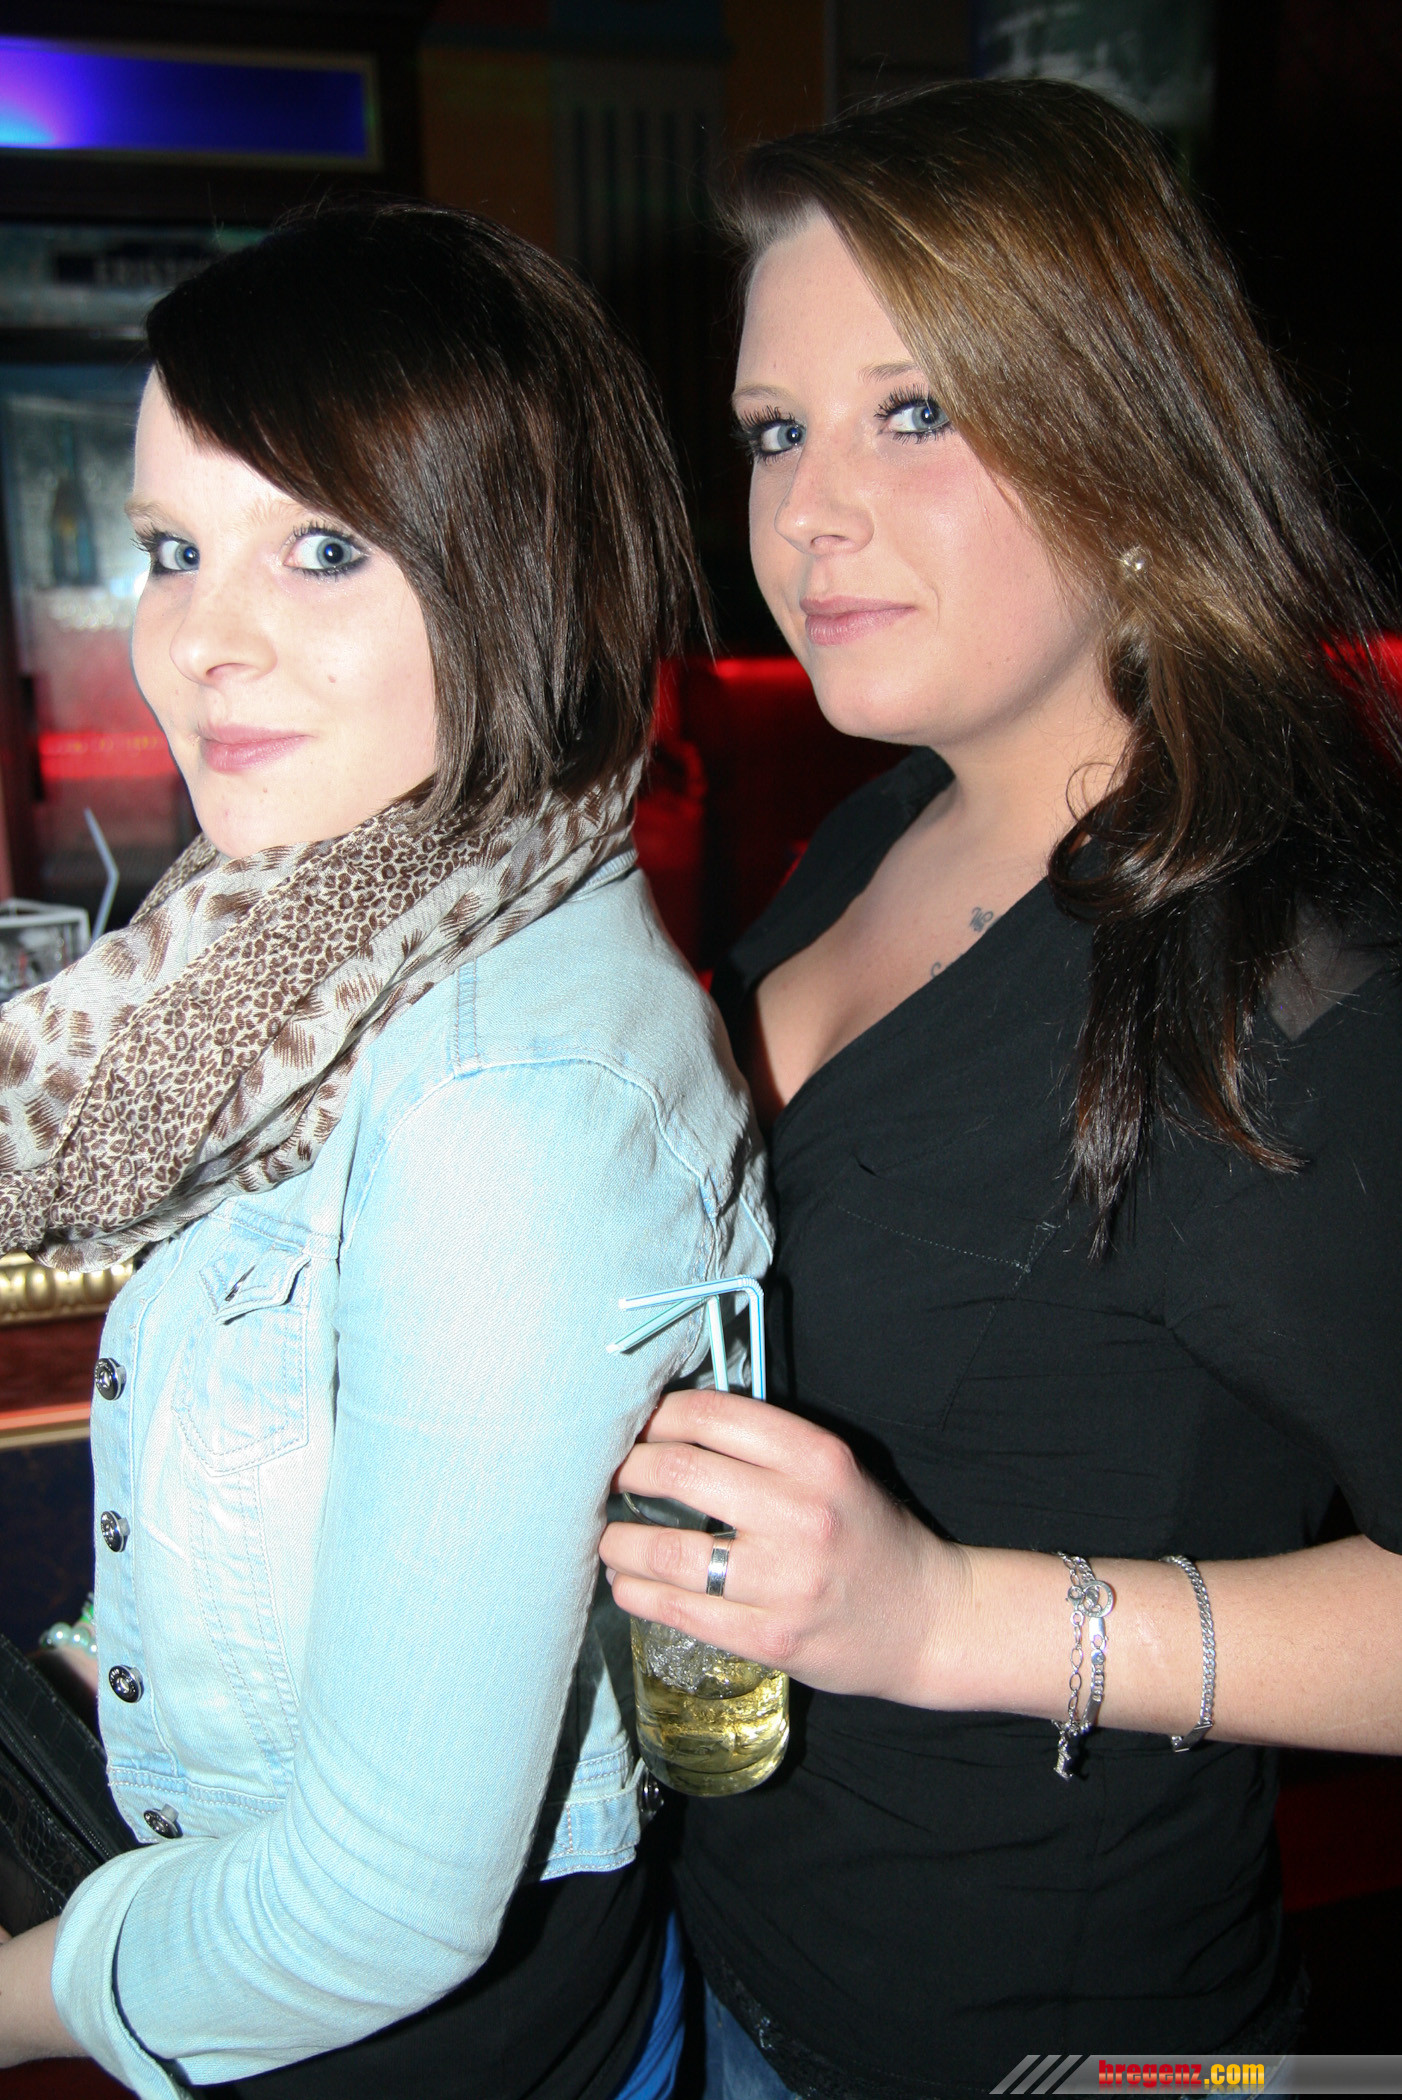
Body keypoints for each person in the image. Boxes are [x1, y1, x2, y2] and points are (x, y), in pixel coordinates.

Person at [599, 80, 1402, 2098]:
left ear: (1130, 441)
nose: (808, 511)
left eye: (914, 413)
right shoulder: (886, 826)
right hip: (717, 1957)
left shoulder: (1287, 978)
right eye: (774, 430)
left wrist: (940, 1618)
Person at [0, 203, 771, 2098]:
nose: (203, 640)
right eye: (174, 550)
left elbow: (375, 1912)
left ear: (520, 569)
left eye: (325, 547)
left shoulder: (504, 1116)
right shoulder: (329, 932)